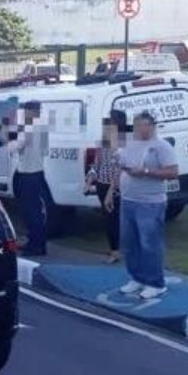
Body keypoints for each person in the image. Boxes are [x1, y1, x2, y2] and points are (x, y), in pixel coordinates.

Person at [109, 110, 179, 299]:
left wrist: (146, 171)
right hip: (128, 200)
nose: (139, 128)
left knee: (149, 243)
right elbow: (120, 166)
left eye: (143, 125)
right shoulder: (130, 144)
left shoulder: (161, 146)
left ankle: (155, 283)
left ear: (152, 126)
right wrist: (112, 190)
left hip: (150, 202)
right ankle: (137, 277)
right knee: (130, 242)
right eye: (136, 125)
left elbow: (173, 172)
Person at [6, 100, 50, 257]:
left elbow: (15, 146)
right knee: (36, 210)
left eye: (25, 111)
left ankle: (35, 246)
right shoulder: (43, 127)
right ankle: (38, 243)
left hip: (27, 173)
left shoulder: (28, 127)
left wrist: (9, 141)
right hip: (38, 171)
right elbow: (44, 150)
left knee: (30, 212)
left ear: (30, 112)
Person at [87, 110, 126, 264]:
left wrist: (112, 190)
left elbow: (118, 169)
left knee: (112, 218)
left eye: (111, 121)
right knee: (108, 217)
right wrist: (90, 180)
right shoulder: (104, 141)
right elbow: (97, 163)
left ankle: (116, 251)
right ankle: (114, 248)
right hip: (101, 184)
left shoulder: (121, 143)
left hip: (114, 185)